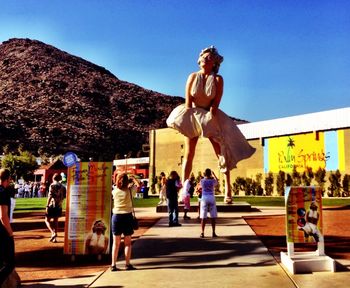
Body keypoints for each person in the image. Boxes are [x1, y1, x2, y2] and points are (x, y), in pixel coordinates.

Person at [167, 46, 255, 204]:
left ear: (214, 62)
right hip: (193, 114)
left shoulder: (218, 79)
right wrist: (193, 121)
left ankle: (228, 189)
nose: (204, 60)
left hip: (211, 116)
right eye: (203, 57)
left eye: (208, 58)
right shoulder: (193, 76)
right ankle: (184, 190)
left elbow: (214, 105)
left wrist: (208, 120)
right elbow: (188, 103)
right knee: (189, 153)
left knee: (221, 153)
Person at [111, 173, 140, 271]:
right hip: (127, 216)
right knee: (127, 243)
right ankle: (127, 264)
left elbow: (115, 184)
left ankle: (113, 265)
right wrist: (133, 179)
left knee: (116, 243)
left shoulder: (114, 191)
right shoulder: (130, 191)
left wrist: (118, 179)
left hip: (116, 216)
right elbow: (138, 185)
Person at [0, 168, 20, 287]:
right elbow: (3, 216)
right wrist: (10, 233)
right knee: (10, 262)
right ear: (8, 179)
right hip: (2, 230)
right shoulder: (3, 191)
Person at [44, 173, 66, 243]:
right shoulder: (63, 186)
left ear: (53, 178)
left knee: (47, 220)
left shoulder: (52, 185)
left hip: (52, 205)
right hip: (59, 205)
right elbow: (64, 196)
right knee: (56, 221)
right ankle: (54, 238)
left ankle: (52, 233)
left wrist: (47, 206)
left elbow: (50, 196)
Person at [200, 168, 218, 238]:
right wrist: (214, 175)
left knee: (203, 217)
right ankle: (213, 232)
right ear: (210, 173)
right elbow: (217, 182)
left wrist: (204, 175)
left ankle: (202, 232)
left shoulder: (202, 180)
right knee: (213, 217)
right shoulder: (212, 180)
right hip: (211, 197)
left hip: (204, 198)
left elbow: (201, 184)